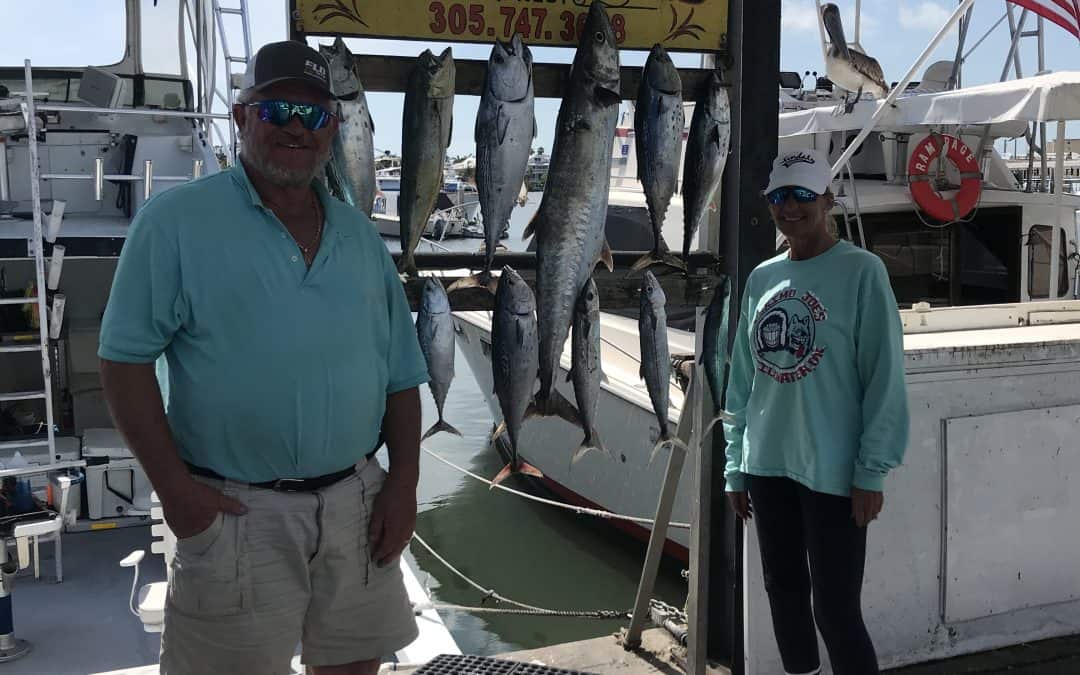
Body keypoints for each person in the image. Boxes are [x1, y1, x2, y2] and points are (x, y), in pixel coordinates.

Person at [98, 41, 429, 675]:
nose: (295, 129)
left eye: (314, 116)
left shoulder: (361, 235)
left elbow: (401, 373)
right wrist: (175, 490)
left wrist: (404, 483)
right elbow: (123, 362)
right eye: (277, 109)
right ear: (242, 116)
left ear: (334, 130)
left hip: (358, 504)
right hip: (236, 511)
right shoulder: (174, 222)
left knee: (356, 666)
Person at [723, 147, 910, 675]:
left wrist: (871, 471)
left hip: (834, 473)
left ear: (827, 199)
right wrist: (734, 466)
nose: (790, 206)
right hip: (766, 467)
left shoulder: (862, 272)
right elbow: (742, 378)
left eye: (803, 194)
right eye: (780, 195)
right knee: (782, 593)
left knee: (836, 610)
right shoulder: (762, 277)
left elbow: (884, 379)